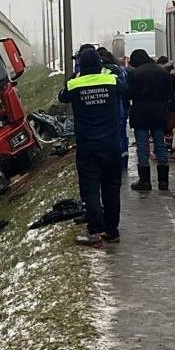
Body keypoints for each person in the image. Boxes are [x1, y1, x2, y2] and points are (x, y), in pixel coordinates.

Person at [58, 48, 123, 247]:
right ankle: (112, 231)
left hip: (88, 146)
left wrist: (76, 77)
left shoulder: (74, 84)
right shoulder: (111, 81)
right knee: (112, 189)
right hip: (112, 144)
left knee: (90, 189)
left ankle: (96, 231)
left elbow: (62, 97)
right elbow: (125, 87)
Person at [128, 49, 175, 191]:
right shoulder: (163, 73)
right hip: (159, 113)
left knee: (142, 146)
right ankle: (163, 181)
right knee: (160, 145)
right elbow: (171, 96)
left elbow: (129, 94)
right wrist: (170, 110)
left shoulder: (134, 74)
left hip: (140, 114)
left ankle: (145, 181)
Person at [97, 47, 130, 171]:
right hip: (123, 106)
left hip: (112, 108)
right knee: (122, 135)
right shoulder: (120, 68)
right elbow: (125, 87)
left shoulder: (104, 71)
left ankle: (115, 163)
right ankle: (123, 161)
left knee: (113, 136)